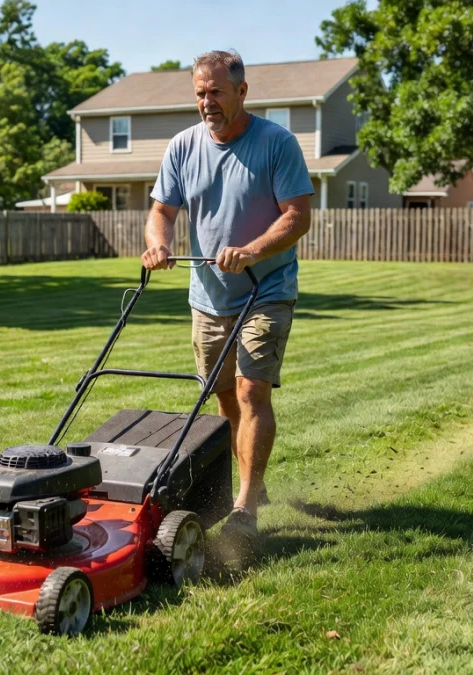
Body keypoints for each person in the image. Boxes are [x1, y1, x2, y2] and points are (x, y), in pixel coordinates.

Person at [140, 49, 313, 558]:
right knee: (220, 400)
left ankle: (244, 510)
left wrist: (253, 249)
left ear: (241, 91)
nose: (207, 101)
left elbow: (297, 216)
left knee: (251, 389)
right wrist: (159, 243)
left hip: (266, 286)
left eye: (216, 91)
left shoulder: (275, 143)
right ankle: (250, 482)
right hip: (208, 295)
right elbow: (161, 211)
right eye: (199, 92)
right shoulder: (183, 147)